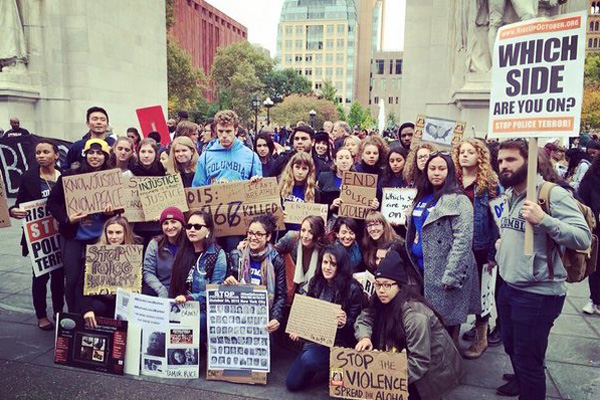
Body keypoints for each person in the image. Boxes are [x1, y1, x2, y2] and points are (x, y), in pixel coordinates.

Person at [495, 139, 592, 399]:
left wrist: (544, 220)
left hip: (538, 294)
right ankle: (520, 380)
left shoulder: (552, 194)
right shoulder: (510, 194)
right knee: (512, 347)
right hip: (509, 287)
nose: (503, 165)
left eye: (511, 160)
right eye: (501, 160)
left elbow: (583, 238)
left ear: (530, 162)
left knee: (530, 363)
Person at [354, 250, 463, 400]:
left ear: (399, 286)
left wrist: (384, 381)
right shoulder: (381, 300)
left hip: (430, 376)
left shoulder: (415, 316)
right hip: (403, 364)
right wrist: (364, 337)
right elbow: (365, 317)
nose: (381, 290)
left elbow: (420, 361)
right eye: (378, 285)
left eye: (387, 285)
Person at [406, 151, 480, 345]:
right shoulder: (422, 197)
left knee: (445, 326)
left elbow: (463, 239)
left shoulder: (459, 200)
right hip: (422, 269)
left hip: (444, 271)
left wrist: (452, 274)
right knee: (428, 324)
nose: (436, 173)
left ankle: (448, 369)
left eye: (441, 168)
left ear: (450, 172)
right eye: (432, 168)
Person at [47, 139, 115, 312]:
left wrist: (111, 212)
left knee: (99, 279)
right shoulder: (69, 176)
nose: (95, 156)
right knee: (72, 279)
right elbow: (52, 203)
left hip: (100, 237)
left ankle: (93, 313)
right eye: (91, 152)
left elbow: (120, 208)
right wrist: (67, 218)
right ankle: (73, 315)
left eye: (100, 153)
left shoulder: (112, 178)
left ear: (105, 156)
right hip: (74, 236)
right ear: (85, 155)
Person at [285, 245, 363, 392]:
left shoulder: (353, 289)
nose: (327, 267)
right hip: (316, 340)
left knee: (311, 362)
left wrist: (344, 322)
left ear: (341, 266)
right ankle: (321, 366)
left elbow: (357, 326)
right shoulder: (316, 282)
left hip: (339, 344)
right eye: (325, 262)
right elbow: (309, 313)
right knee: (292, 384)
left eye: (333, 264)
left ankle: (335, 367)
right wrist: (300, 331)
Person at [452, 138, 501, 358]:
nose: (464, 156)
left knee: (482, 294)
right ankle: (451, 338)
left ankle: (481, 339)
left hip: (480, 247)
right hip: (455, 246)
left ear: (479, 156)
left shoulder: (490, 183)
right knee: (454, 292)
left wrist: (492, 254)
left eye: (470, 152)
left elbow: (497, 221)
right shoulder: (452, 179)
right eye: (462, 152)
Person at [9, 139, 64, 330]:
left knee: (59, 276)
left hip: (60, 235)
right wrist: (12, 211)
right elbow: (18, 204)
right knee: (40, 277)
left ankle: (58, 311)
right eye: (38, 153)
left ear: (56, 155)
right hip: (38, 237)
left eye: (46, 152)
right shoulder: (28, 178)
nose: (41, 156)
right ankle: (41, 316)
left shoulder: (64, 176)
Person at [170, 211, 228, 343]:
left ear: (208, 230)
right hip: (181, 307)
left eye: (197, 227)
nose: (191, 230)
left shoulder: (218, 254)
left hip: (204, 311)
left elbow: (214, 292)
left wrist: (189, 298)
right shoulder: (183, 251)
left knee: (188, 324)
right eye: (188, 226)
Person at [225, 215, 286, 334]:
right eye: (250, 233)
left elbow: (280, 295)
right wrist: (228, 281)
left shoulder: (276, 260)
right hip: (238, 315)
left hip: (264, 318)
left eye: (259, 234)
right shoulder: (236, 255)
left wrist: (275, 318)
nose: (253, 237)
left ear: (268, 236)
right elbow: (225, 287)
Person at [80, 215, 139, 329]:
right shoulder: (95, 254)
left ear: (125, 233)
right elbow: (81, 285)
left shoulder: (134, 254)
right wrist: (87, 310)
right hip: (101, 301)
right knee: (97, 308)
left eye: (118, 232)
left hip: (125, 301)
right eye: (110, 232)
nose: (114, 237)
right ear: (105, 233)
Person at [192, 110, 262, 186]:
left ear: (235, 131)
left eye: (228, 131)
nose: (224, 135)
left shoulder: (251, 157)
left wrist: (255, 181)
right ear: (216, 131)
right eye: (220, 131)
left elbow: (257, 190)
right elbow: (198, 187)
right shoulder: (205, 157)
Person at [275, 215, 329, 295]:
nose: (305, 236)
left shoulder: (324, 249)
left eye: (310, 232)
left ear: (319, 235)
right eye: (303, 230)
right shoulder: (292, 238)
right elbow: (273, 253)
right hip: (290, 291)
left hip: (312, 294)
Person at [143, 207, 185, 298]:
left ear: (182, 223)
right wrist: (161, 290)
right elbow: (148, 272)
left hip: (185, 292)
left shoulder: (190, 243)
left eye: (173, 222)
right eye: (166, 223)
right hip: (162, 289)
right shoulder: (154, 244)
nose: (170, 227)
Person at [579, 155, 600, 315]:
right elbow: (582, 200)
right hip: (596, 229)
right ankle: (595, 299)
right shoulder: (592, 176)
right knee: (596, 265)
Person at [317, 147, 354, 212]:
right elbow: (318, 203)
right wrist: (331, 206)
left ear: (352, 161)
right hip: (329, 218)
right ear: (335, 161)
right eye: (340, 158)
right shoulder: (324, 177)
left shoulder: (359, 180)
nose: (344, 161)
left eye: (347, 158)